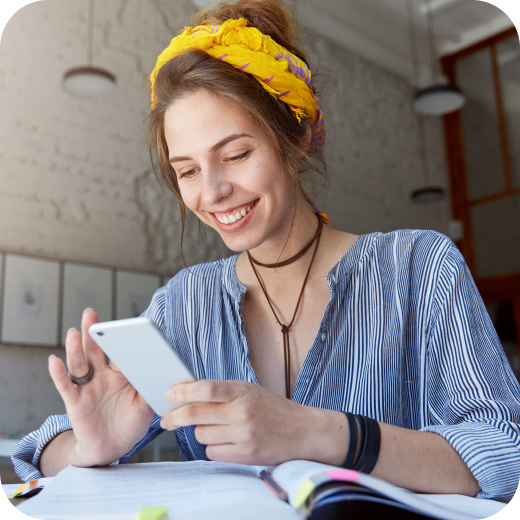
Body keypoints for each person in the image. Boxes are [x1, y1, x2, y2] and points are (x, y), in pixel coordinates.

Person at [12, 0, 520, 503]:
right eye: (187, 171)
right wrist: (89, 446)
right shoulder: (186, 305)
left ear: (297, 136)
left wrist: (318, 433)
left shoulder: (419, 268)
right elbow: (40, 451)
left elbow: (505, 453)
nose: (211, 193)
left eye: (235, 154)